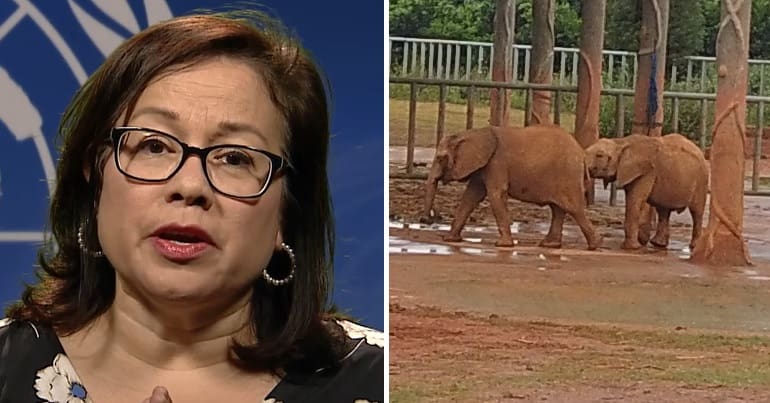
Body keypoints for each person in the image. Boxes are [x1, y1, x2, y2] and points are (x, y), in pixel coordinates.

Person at [0, 9, 384, 403]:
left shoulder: (376, 379)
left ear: (287, 211)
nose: (190, 185)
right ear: (95, 181)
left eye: (235, 158)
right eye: (153, 145)